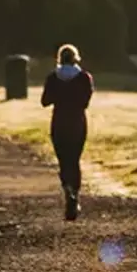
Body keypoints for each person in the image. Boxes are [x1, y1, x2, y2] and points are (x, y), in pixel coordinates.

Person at [39, 44, 94, 221]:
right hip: (77, 123)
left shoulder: (53, 78)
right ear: (76, 58)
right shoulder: (84, 78)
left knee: (63, 161)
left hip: (59, 123)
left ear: (59, 59)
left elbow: (45, 101)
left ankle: (68, 190)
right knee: (75, 160)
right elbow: (85, 102)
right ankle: (75, 195)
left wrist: (58, 95)